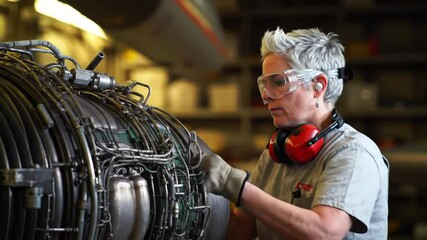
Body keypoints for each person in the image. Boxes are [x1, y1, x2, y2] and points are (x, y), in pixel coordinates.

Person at [199, 27, 389, 239]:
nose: (266, 95)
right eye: (264, 84)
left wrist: (233, 184)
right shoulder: (275, 155)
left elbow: (324, 232)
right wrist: (199, 195)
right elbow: (241, 230)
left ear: (318, 87)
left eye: (278, 82)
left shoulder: (354, 153)